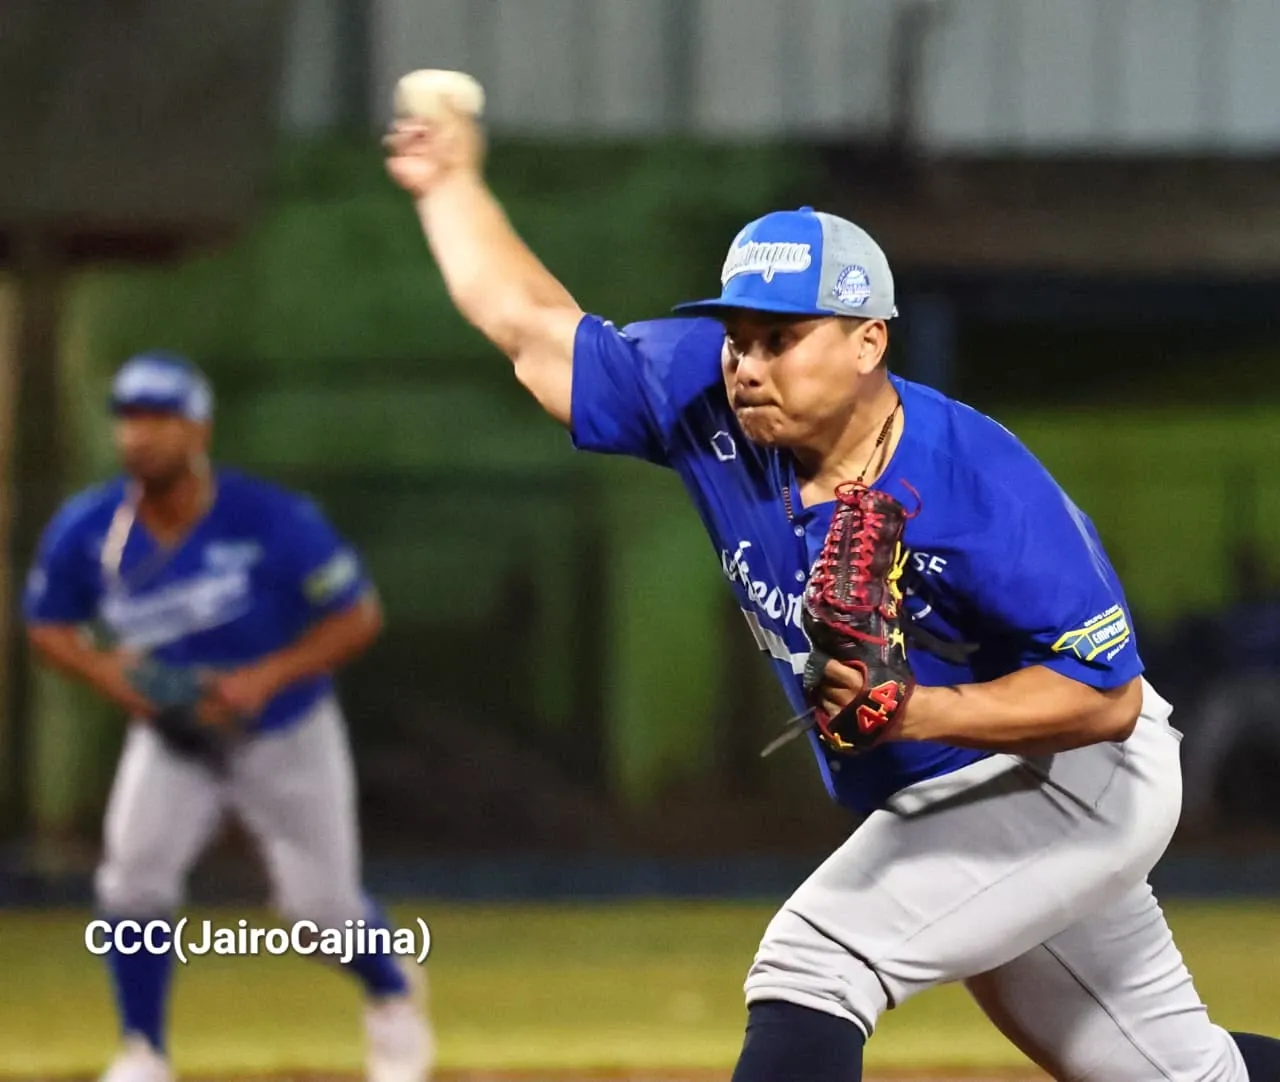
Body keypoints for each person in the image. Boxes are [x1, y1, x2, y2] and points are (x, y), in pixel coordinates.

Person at [383, 96, 1280, 1082]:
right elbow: (529, 326)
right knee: (1173, 1072)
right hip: (944, 790)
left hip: (1069, 776)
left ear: (866, 342)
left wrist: (921, 706)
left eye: (781, 336)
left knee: (816, 960)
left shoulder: (975, 483)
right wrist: (448, 182)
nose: (747, 363)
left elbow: (1104, 698)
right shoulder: (699, 393)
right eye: (736, 334)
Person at [22, 353, 433, 1082]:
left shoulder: (271, 519)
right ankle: (143, 1050)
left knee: (320, 914)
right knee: (132, 883)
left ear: (198, 429)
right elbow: (48, 627)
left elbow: (357, 615)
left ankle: (391, 992)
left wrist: (264, 677)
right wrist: (111, 676)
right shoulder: (91, 530)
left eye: (158, 419)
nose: (138, 436)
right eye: (128, 419)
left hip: (285, 730)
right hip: (173, 737)